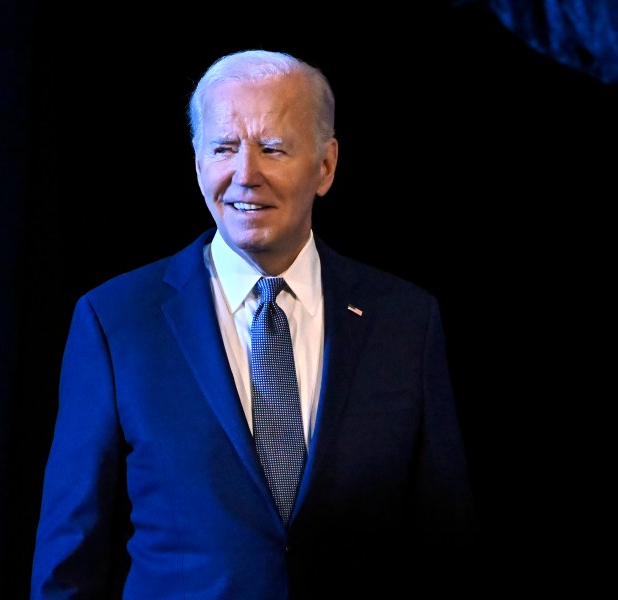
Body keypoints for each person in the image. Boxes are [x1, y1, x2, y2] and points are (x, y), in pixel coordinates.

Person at [30, 49, 478, 598]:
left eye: (272, 149)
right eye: (223, 148)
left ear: (326, 166)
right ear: (198, 163)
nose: (246, 175)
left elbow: (447, 546)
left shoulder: (406, 320)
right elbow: (70, 557)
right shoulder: (116, 320)